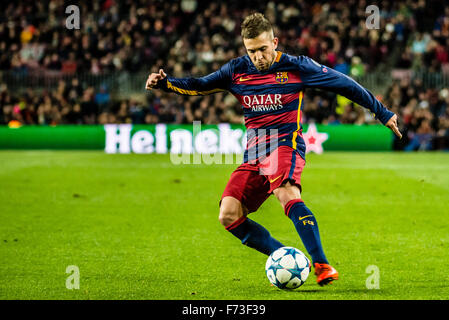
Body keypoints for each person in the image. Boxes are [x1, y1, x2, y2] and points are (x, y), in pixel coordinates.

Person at [145, 13, 402, 286]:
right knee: (228, 214)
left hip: (285, 144)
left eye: (263, 49)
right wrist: (166, 83)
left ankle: (321, 264)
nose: (258, 56)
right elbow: (199, 85)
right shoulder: (236, 70)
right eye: (251, 51)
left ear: (275, 42)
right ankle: (284, 256)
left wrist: (382, 112)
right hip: (255, 152)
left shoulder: (298, 66)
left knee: (285, 192)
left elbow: (345, 84)